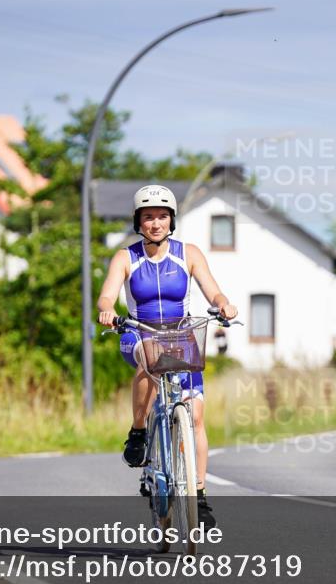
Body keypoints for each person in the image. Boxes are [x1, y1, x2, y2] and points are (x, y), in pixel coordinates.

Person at [96, 185, 238, 528]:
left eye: (162, 216)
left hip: (181, 336)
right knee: (149, 356)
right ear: (138, 222)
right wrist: (107, 312)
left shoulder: (187, 253)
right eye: (148, 217)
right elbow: (107, 298)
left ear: (171, 220)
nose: (155, 223)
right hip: (138, 333)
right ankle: (140, 431)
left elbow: (212, 289)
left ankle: (199, 496)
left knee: (198, 416)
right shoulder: (125, 258)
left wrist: (223, 305)